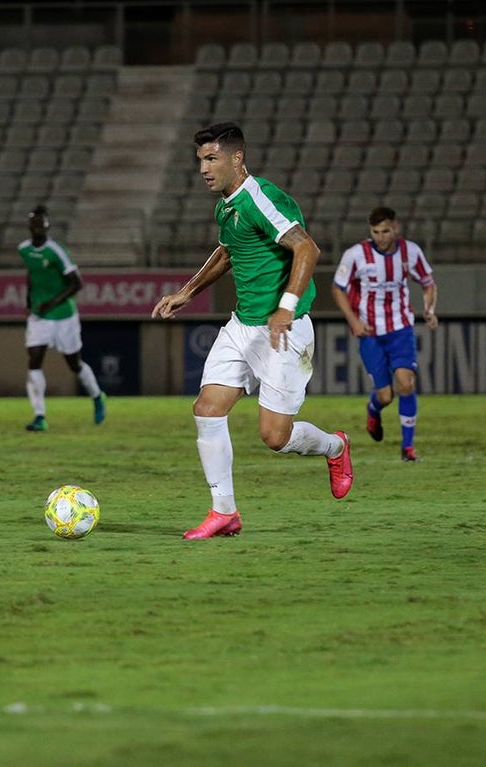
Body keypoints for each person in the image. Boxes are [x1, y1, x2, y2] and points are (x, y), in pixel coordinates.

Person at [151, 122, 353, 540]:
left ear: (236, 158)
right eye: (200, 161)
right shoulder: (226, 205)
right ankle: (224, 512)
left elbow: (306, 248)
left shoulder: (263, 197)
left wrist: (286, 307)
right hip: (243, 325)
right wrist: (187, 292)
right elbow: (228, 250)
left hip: (284, 330)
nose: (204, 169)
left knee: (274, 438)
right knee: (207, 409)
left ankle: (335, 446)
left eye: (212, 159)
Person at [331, 207, 438, 462]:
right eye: (376, 232)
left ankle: (408, 448)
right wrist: (354, 321)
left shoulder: (411, 252)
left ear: (396, 228)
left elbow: (428, 283)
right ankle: (373, 409)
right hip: (369, 333)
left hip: (401, 329)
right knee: (385, 395)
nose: (381, 237)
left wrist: (429, 309)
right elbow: (337, 289)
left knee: (406, 383)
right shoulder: (356, 255)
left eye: (386, 231)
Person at [17, 204, 106, 432]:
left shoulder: (56, 250)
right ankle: (39, 416)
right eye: (35, 223)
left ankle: (97, 396)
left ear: (47, 226)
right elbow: (32, 273)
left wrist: (53, 302)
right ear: (30, 225)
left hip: (63, 315)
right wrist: (29, 298)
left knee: (73, 363)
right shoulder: (24, 249)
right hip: (39, 316)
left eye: (42, 223)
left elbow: (77, 283)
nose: (38, 227)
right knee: (34, 360)